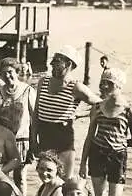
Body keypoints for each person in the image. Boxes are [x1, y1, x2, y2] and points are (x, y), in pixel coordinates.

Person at [79, 68, 132, 196]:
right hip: (96, 154)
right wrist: (83, 163)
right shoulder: (97, 107)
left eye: (109, 83)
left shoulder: (129, 110)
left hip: (117, 158)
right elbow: (89, 137)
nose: (104, 86)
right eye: (102, 82)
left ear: (119, 86)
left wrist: (117, 144)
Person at [32, 45, 102, 179]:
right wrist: (33, 140)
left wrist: (82, 114)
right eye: (53, 61)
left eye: (57, 62)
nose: (52, 64)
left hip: (64, 140)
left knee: (66, 182)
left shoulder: (75, 87)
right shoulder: (43, 82)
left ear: (69, 64)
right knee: (46, 180)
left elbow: (100, 104)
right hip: (44, 137)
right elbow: (36, 114)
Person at [0, 58, 36, 196]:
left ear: (17, 72)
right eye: (3, 73)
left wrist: (34, 144)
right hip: (3, 142)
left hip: (22, 141)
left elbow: (35, 119)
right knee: (1, 175)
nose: (7, 76)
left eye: (10, 72)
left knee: (20, 177)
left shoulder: (28, 90)